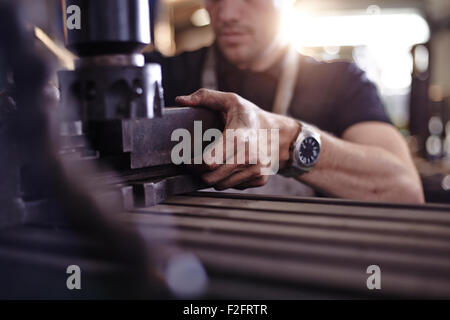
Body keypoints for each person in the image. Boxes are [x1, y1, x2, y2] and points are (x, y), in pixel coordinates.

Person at [147, 0, 424, 204]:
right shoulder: (161, 75)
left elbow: (404, 191)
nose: (227, 14)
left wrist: (288, 143)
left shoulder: (340, 82)